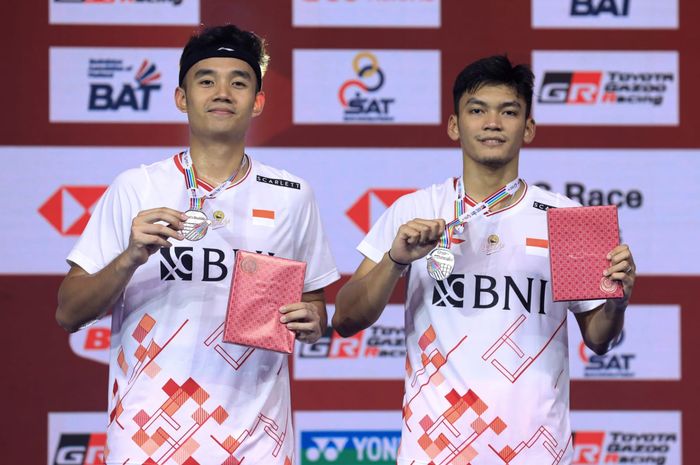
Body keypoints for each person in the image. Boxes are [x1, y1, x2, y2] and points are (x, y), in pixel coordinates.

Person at [56, 24, 339, 465]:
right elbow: (68, 312)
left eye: (239, 82)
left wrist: (313, 319)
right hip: (149, 434)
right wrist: (130, 258)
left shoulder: (291, 194)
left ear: (258, 102)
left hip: (258, 439)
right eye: (206, 80)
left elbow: (315, 306)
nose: (222, 92)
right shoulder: (136, 187)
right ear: (182, 98)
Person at [333, 55, 636, 465]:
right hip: (434, 452)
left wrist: (616, 301)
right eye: (477, 111)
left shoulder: (567, 219)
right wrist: (395, 260)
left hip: (538, 453)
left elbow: (600, 339)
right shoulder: (413, 209)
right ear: (454, 125)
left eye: (508, 112)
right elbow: (346, 319)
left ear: (527, 128)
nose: (492, 123)